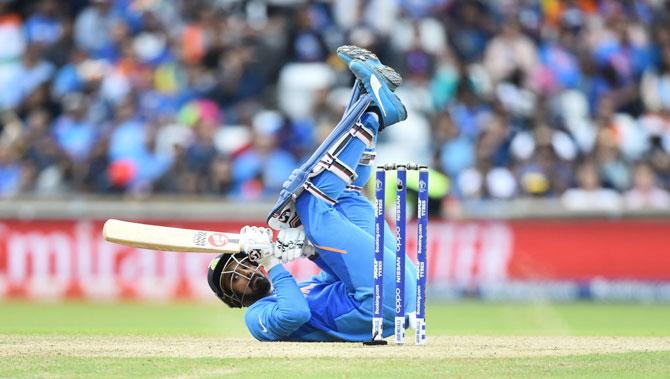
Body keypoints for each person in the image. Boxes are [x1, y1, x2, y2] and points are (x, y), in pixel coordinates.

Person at [207, 46, 417, 342]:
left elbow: (341, 273)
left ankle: (365, 95)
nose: (247, 276)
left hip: (395, 293)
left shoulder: (303, 286)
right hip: (377, 305)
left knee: (346, 194)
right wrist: (273, 263)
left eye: (241, 270)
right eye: (237, 282)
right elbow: (295, 315)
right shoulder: (256, 317)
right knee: (304, 201)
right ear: (234, 299)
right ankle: (375, 114)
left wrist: (311, 252)